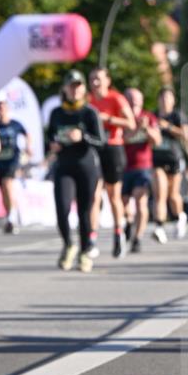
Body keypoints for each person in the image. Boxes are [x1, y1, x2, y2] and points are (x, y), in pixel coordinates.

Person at [48, 70, 105, 273]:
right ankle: (68, 244)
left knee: (84, 212)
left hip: (86, 167)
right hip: (64, 167)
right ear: (64, 88)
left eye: (78, 85)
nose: (74, 89)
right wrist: (52, 146)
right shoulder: (56, 113)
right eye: (71, 85)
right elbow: (50, 139)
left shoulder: (89, 113)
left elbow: (101, 142)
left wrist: (83, 137)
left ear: (83, 89)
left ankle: (85, 251)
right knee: (62, 209)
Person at [88, 68, 136, 258]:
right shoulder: (88, 101)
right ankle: (91, 239)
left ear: (108, 80)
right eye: (92, 79)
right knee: (93, 196)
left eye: (99, 79)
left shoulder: (116, 98)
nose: (95, 83)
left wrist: (108, 119)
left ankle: (119, 234)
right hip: (94, 150)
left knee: (113, 196)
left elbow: (130, 123)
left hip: (113, 149)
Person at [122, 88, 161, 253]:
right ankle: (129, 223)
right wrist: (135, 129)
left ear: (142, 101)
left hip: (143, 166)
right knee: (123, 204)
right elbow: (121, 139)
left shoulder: (149, 118)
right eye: (129, 99)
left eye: (136, 99)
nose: (133, 102)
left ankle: (137, 238)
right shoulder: (121, 119)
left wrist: (146, 129)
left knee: (140, 200)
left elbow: (157, 141)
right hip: (123, 166)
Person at [151, 87, 188, 242]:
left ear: (173, 100)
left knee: (173, 195)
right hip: (156, 159)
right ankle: (159, 227)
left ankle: (180, 216)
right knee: (160, 193)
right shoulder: (153, 115)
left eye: (168, 98)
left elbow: (186, 135)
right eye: (162, 98)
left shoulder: (177, 115)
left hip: (174, 158)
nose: (165, 101)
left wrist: (168, 127)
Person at [0, 97, 32, 234]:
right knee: (3, 190)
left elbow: (27, 134)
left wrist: (28, 147)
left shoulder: (15, 124)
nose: (1, 111)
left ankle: (11, 218)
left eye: (4, 108)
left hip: (12, 160)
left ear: (8, 110)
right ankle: (10, 215)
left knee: (8, 183)